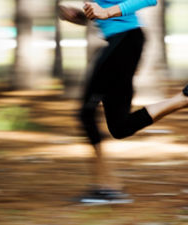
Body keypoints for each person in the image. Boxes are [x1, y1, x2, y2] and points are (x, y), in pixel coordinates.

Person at [59, 0, 188, 204]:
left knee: (86, 113)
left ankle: (107, 188)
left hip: (125, 41)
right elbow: (103, 13)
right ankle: (183, 99)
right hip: (124, 41)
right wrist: (80, 16)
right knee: (120, 127)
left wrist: (106, 12)